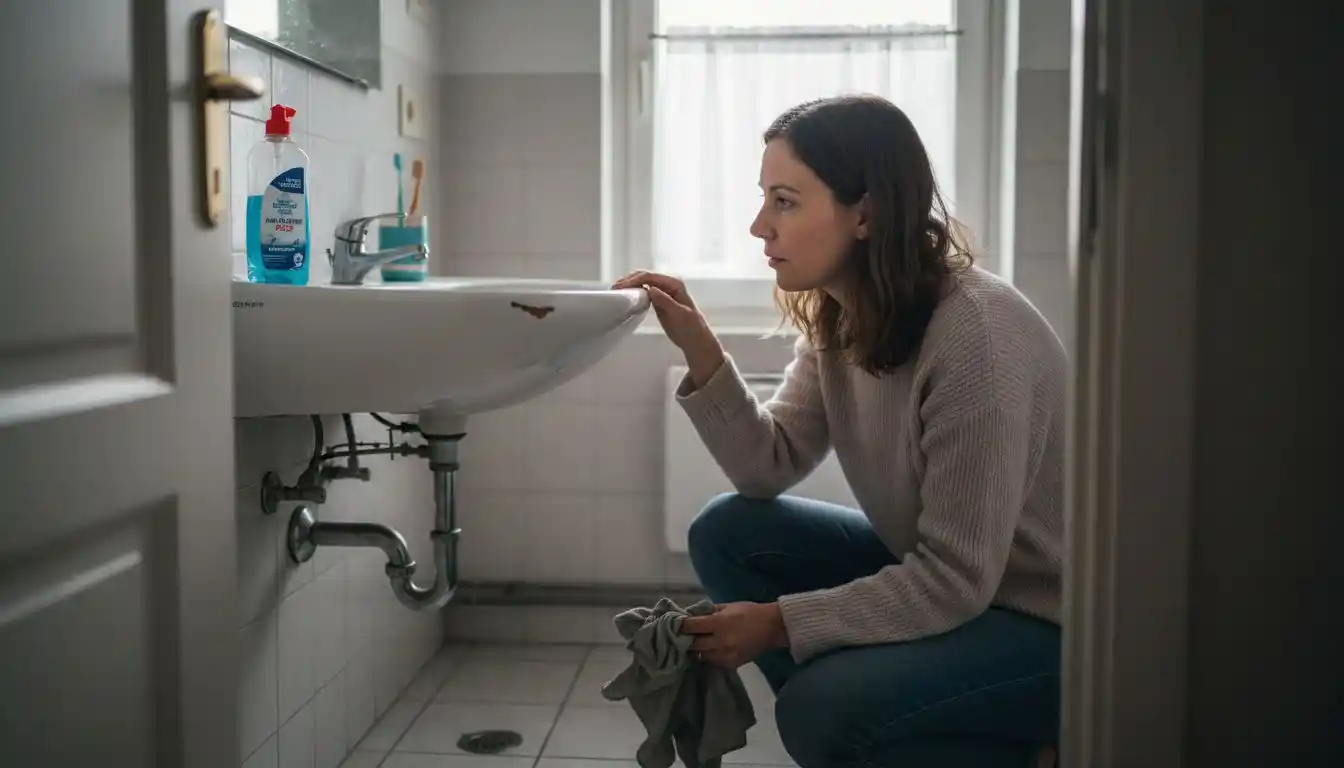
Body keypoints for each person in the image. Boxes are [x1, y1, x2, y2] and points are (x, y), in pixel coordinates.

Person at [612, 94, 1066, 768]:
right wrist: (700, 349)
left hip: (1043, 624)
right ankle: (882, 728)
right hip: (958, 588)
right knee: (728, 531)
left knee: (818, 709)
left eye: (785, 201)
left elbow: (956, 580)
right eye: (764, 198)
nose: (758, 226)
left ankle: (1008, 750)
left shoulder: (977, 337)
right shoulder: (843, 314)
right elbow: (768, 466)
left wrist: (778, 624)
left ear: (867, 212)